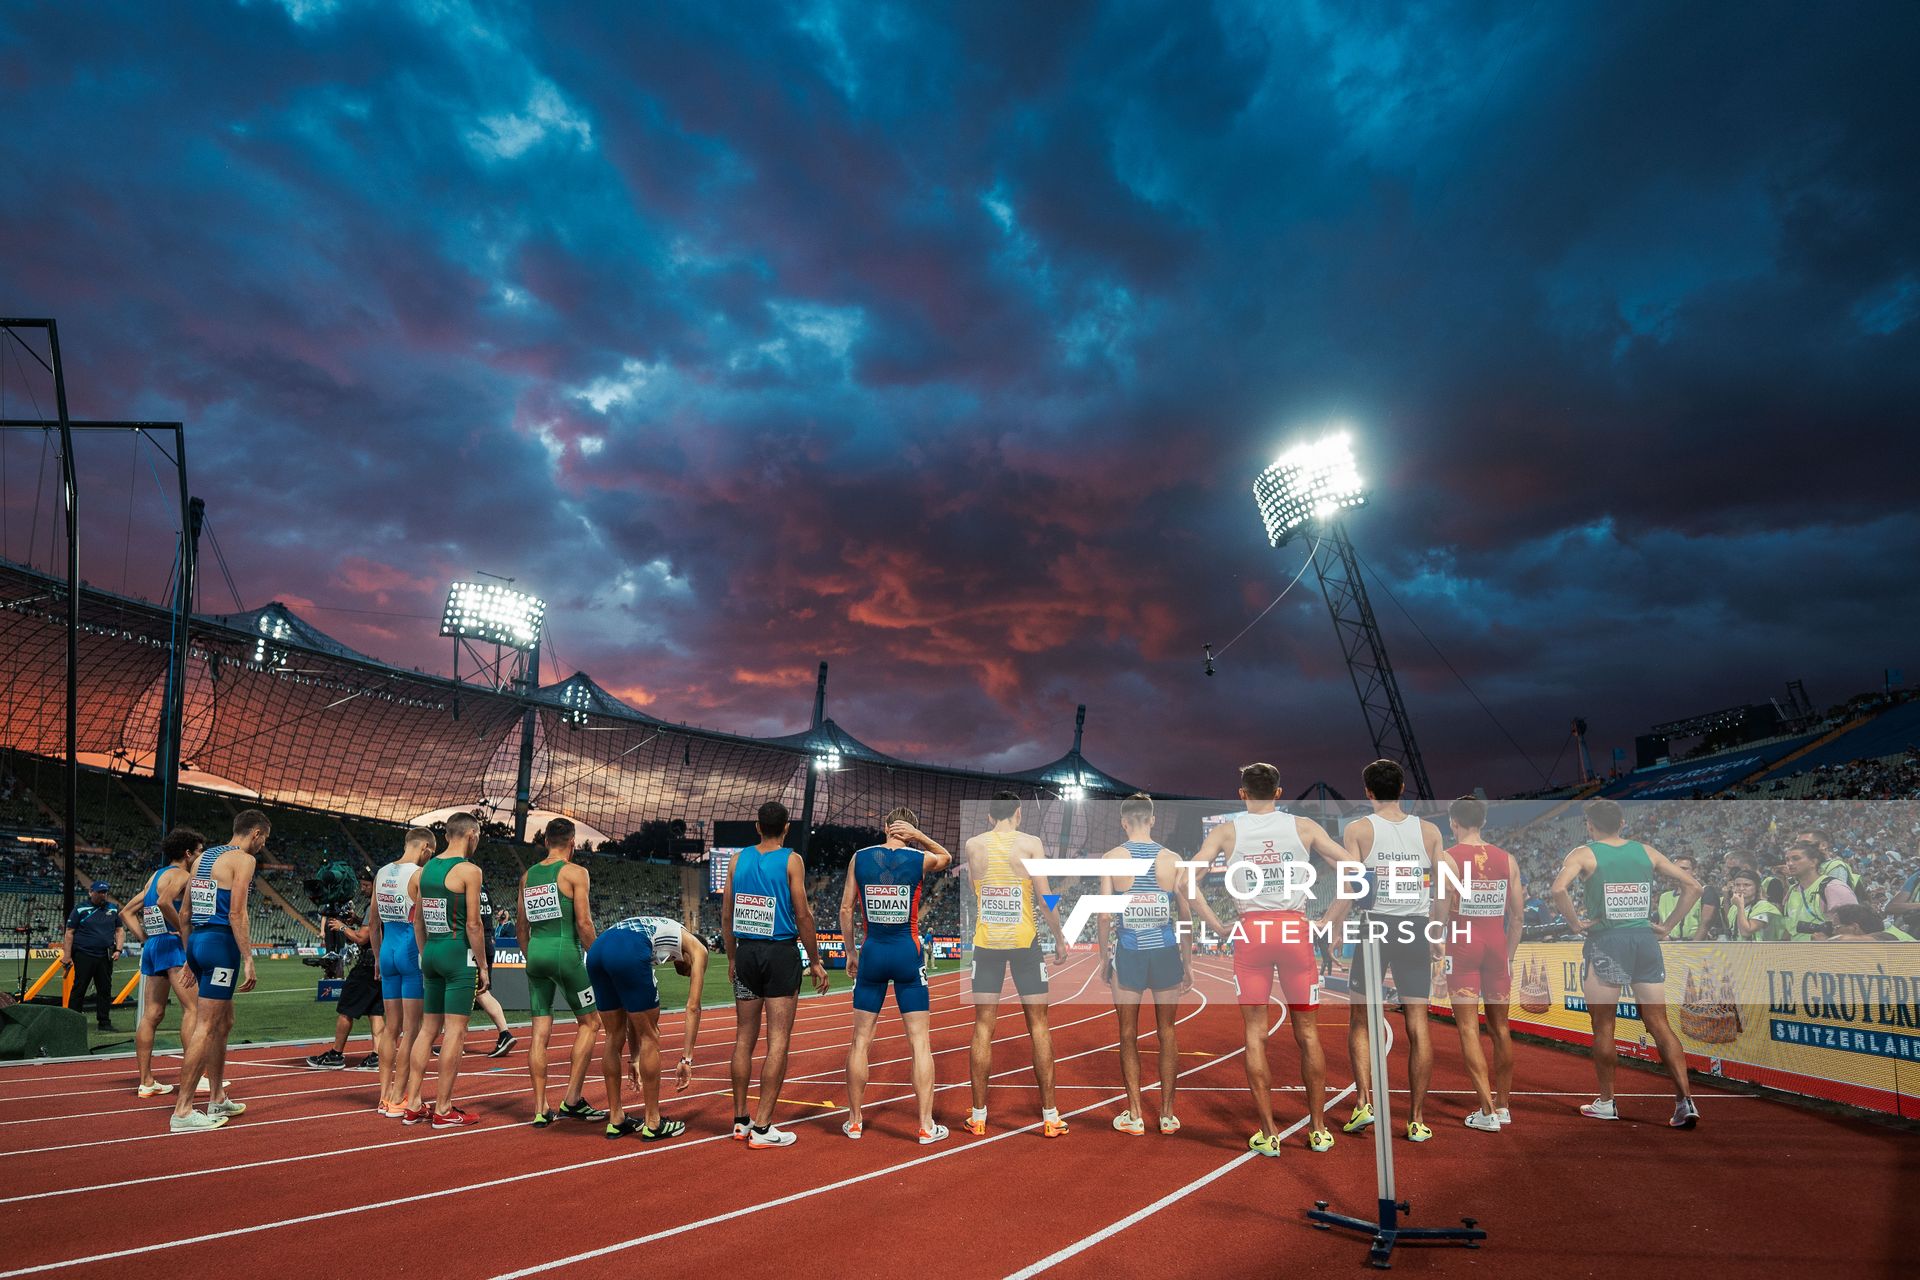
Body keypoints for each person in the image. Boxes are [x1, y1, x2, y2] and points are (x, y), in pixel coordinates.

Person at [1188, 764, 1341, 1155]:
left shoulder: (1225, 831)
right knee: (1308, 1034)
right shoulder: (1303, 826)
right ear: (1279, 793)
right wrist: (1329, 919)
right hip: (1295, 931)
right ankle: (1319, 1130)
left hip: (1251, 932)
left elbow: (1184, 882)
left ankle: (1269, 1132)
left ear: (1241, 794)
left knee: (1255, 1034)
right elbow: (1356, 870)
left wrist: (1219, 926)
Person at [1548, 797, 1701, 1128]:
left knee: (1604, 1026)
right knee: (1659, 1022)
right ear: (1622, 823)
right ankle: (1684, 1100)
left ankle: (1607, 1102)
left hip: (1606, 941)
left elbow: (1559, 889)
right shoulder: (1645, 851)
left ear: (1589, 825)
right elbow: (1693, 885)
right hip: (1644, 941)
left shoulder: (1584, 854)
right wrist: (1668, 925)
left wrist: (1575, 924)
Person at [1323, 759, 1446, 1143]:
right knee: (1418, 1023)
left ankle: (1363, 1101)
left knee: (1361, 1018)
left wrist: (1333, 926)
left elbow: (1351, 886)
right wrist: (1437, 933)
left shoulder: (1357, 829)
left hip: (1375, 927)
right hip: (1416, 927)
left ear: (1368, 792)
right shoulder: (1430, 831)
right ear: (1403, 787)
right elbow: (1443, 889)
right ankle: (1417, 1118)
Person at [838, 808, 953, 1143]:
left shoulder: (859, 858)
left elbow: (846, 909)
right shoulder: (918, 858)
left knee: (860, 1041)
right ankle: (925, 1126)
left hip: (873, 952)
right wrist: (919, 838)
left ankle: (855, 1121)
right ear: (909, 829)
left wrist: (850, 952)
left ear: (884, 826)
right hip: (907, 952)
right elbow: (944, 856)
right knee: (919, 1042)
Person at [963, 791, 1071, 1139]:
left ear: (990, 816)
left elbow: (975, 889)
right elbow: (1044, 895)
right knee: (1039, 1026)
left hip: (987, 943)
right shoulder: (1031, 843)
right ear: (1019, 814)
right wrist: (1059, 936)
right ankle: (1051, 1116)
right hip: (1025, 942)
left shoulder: (973, 845)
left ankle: (978, 1116)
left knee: (983, 1027)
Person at [722, 800, 829, 1149]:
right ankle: (764, 1127)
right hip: (780, 952)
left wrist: (733, 957)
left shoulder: (738, 860)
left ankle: (740, 1120)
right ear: (786, 828)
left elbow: (726, 914)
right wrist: (814, 960)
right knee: (778, 1039)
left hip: (747, 952)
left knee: (743, 1038)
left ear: (757, 826)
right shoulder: (791, 860)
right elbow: (803, 914)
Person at [1094, 793, 1192, 1138]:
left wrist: (1105, 959)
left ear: (1124, 822)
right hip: (1166, 953)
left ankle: (1135, 1115)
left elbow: (1105, 915)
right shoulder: (1173, 859)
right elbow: (1185, 917)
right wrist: (1188, 963)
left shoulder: (1112, 858)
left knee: (1127, 1035)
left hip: (1130, 953)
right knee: (1168, 1033)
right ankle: (1167, 1115)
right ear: (1152, 820)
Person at [169, 810, 268, 1133]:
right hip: (221, 944)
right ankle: (183, 1111)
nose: (263, 846)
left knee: (224, 1021)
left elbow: (184, 912)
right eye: (264, 839)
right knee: (207, 1025)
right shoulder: (243, 860)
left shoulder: (203, 858)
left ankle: (216, 1096)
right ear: (255, 833)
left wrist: (189, 956)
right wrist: (249, 958)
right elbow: (237, 912)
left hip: (197, 940)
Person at [1437, 796, 1523, 1132]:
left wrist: (1436, 954)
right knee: (1501, 1029)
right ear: (1484, 822)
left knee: (1468, 1028)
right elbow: (1517, 918)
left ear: (1452, 823)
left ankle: (1486, 1111)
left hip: (1463, 947)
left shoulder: (1449, 858)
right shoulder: (1508, 860)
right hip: (1496, 946)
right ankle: (1502, 1106)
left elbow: (1440, 914)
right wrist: (1509, 957)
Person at [517, 818, 606, 1126]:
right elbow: (584, 923)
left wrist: (531, 955)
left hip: (536, 953)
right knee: (591, 1023)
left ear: (545, 842)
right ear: (572, 843)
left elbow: (520, 924)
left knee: (539, 1033)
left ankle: (541, 1109)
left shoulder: (529, 875)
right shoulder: (575, 872)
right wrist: (599, 956)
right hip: (565, 955)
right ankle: (571, 1100)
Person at [404, 812, 491, 1127]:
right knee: (456, 1030)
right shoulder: (469, 871)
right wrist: (483, 966)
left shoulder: (426, 870)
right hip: (458, 954)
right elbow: (473, 924)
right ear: (471, 834)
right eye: (478, 836)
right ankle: (443, 1108)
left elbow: (418, 920)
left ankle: (413, 1103)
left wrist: (427, 953)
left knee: (428, 1030)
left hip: (433, 952)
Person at [589, 914, 708, 1140]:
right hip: (628, 947)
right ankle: (653, 1123)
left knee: (613, 1036)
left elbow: (635, 1013)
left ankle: (616, 1119)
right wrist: (687, 1060)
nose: (688, 973)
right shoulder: (698, 948)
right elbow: (693, 1007)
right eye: (690, 969)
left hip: (598, 950)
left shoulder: (659, 936)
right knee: (651, 1036)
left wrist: (634, 1058)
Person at [120, 828, 203, 1097]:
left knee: (152, 1014)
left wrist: (146, 938)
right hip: (173, 946)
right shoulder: (183, 875)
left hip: (154, 946)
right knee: (194, 1010)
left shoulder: (154, 877)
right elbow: (167, 902)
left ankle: (146, 1081)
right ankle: (197, 1077)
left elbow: (126, 912)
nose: (201, 856)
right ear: (188, 853)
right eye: (199, 851)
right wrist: (183, 931)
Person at [371, 828, 433, 1118]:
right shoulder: (419, 875)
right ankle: (399, 1097)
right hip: (410, 954)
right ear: (425, 848)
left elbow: (372, 924)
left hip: (387, 952)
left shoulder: (381, 872)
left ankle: (384, 1096)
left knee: (390, 1027)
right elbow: (421, 922)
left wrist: (376, 958)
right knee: (412, 1030)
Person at [303, 870, 383, 1071]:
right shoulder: (384, 903)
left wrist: (340, 927)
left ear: (375, 885)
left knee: (346, 1009)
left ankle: (336, 1055)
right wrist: (356, 920)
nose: (363, 889)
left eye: (366, 885)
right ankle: (378, 1055)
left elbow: (362, 938)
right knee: (375, 1011)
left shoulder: (374, 905)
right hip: (380, 964)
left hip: (367, 964)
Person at [61, 879, 125, 1032]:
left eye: (105, 892)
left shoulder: (113, 909)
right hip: (84, 954)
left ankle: (104, 1022)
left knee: (104, 990)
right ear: (91, 892)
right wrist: (67, 956)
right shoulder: (80, 909)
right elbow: (69, 933)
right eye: (100, 892)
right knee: (79, 988)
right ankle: (73, 1022)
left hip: (105, 955)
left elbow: (119, 930)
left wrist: (118, 949)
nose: (103, 895)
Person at [1783, 839, 1858, 941]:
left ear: (1813, 862)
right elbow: (1790, 929)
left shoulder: (1833, 888)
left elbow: (1854, 928)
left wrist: (1828, 941)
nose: (1790, 863)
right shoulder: (1792, 891)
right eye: (1787, 860)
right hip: (1796, 954)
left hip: (1826, 954)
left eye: (1796, 859)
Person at [1722, 866, 1788, 941]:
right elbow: (1730, 925)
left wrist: (1740, 906)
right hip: (1741, 950)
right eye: (1737, 885)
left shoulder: (1765, 907)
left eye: (1747, 885)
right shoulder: (1735, 907)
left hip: (1764, 950)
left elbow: (1746, 932)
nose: (1741, 888)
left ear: (1757, 888)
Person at [1658, 855, 1714, 941]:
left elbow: (1705, 925)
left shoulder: (1705, 892)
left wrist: (1692, 947)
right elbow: (1661, 924)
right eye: (1675, 868)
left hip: (1694, 945)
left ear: (1694, 871)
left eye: (1684, 868)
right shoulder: (1664, 897)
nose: (1679, 871)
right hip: (1669, 946)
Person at [1825, 904, 1917, 942]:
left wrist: (1825, 943)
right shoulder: (1886, 929)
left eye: (1836, 927)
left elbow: (1879, 938)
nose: (1833, 932)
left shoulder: (1888, 936)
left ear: (1854, 927)